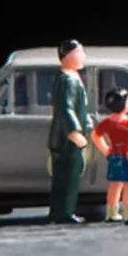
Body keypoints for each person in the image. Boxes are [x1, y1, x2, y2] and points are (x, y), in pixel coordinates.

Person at [47, 39, 92, 224]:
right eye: (79, 52)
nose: (83, 56)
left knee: (67, 177)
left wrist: (86, 122)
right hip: (66, 140)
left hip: (65, 138)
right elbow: (66, 108)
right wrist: (74, 132)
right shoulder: (68, 80)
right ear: (68, 55)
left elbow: (79, 107)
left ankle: (61, 212)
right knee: (67, 178)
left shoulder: (70, 77)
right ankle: (64, 213)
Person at [91, 88, 128, 224]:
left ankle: (111, 213)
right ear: (124, 104)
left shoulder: (107, 122)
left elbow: (95, 135)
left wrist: (105, 150)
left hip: (114, 157)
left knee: (115, 185)